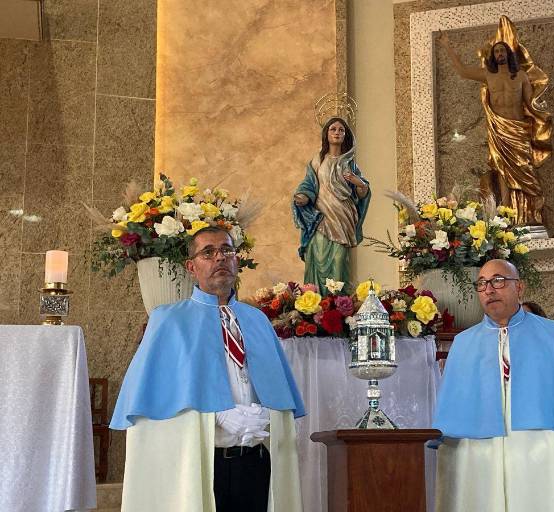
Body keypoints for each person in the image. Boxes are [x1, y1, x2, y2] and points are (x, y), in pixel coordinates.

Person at [110, 226, 305, 512]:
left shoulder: (258, 321)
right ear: (191, 267)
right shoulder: (168, 321)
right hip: (202, 464)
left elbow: (278, 392)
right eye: (208, 252)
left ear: (237, 260)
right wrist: (219, 415)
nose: (220, 258)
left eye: (227, 250)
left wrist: (269, 414)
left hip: (255, 463)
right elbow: (153, 410)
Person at [432, 259, 554, 512]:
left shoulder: (551, 333)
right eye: (482, 284)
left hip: (541, 439)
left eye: (498, 280)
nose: (489, 289)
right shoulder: (463, 342)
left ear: (519, 287)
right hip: (480, 443)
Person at [437, 16, 552, 227]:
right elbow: (462, 71)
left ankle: (536, 206)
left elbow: (529, 103)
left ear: (509, 54)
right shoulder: (488, 76)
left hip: (518, 129)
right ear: (493, 56)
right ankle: (505, 213)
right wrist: (447, 46)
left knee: (524, 168)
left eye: (503, 51)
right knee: (501, 169)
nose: (500, 54)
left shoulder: (522, 77)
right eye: (497, 51)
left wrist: (542, 112)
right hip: (499, 129)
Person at [293, 116, 371, 295]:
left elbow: (363, 193)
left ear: (346, 135)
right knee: (318, 257)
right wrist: (303, 197)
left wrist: (359, 183)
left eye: (341, 130)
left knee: (339, 261)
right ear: (326, 134)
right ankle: (316, 304)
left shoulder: (350, 164)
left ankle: (339, 304)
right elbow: (308, 185)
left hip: (343, 217)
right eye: (333, 129)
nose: (337, 132)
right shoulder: (317, 161)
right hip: (321, 217)